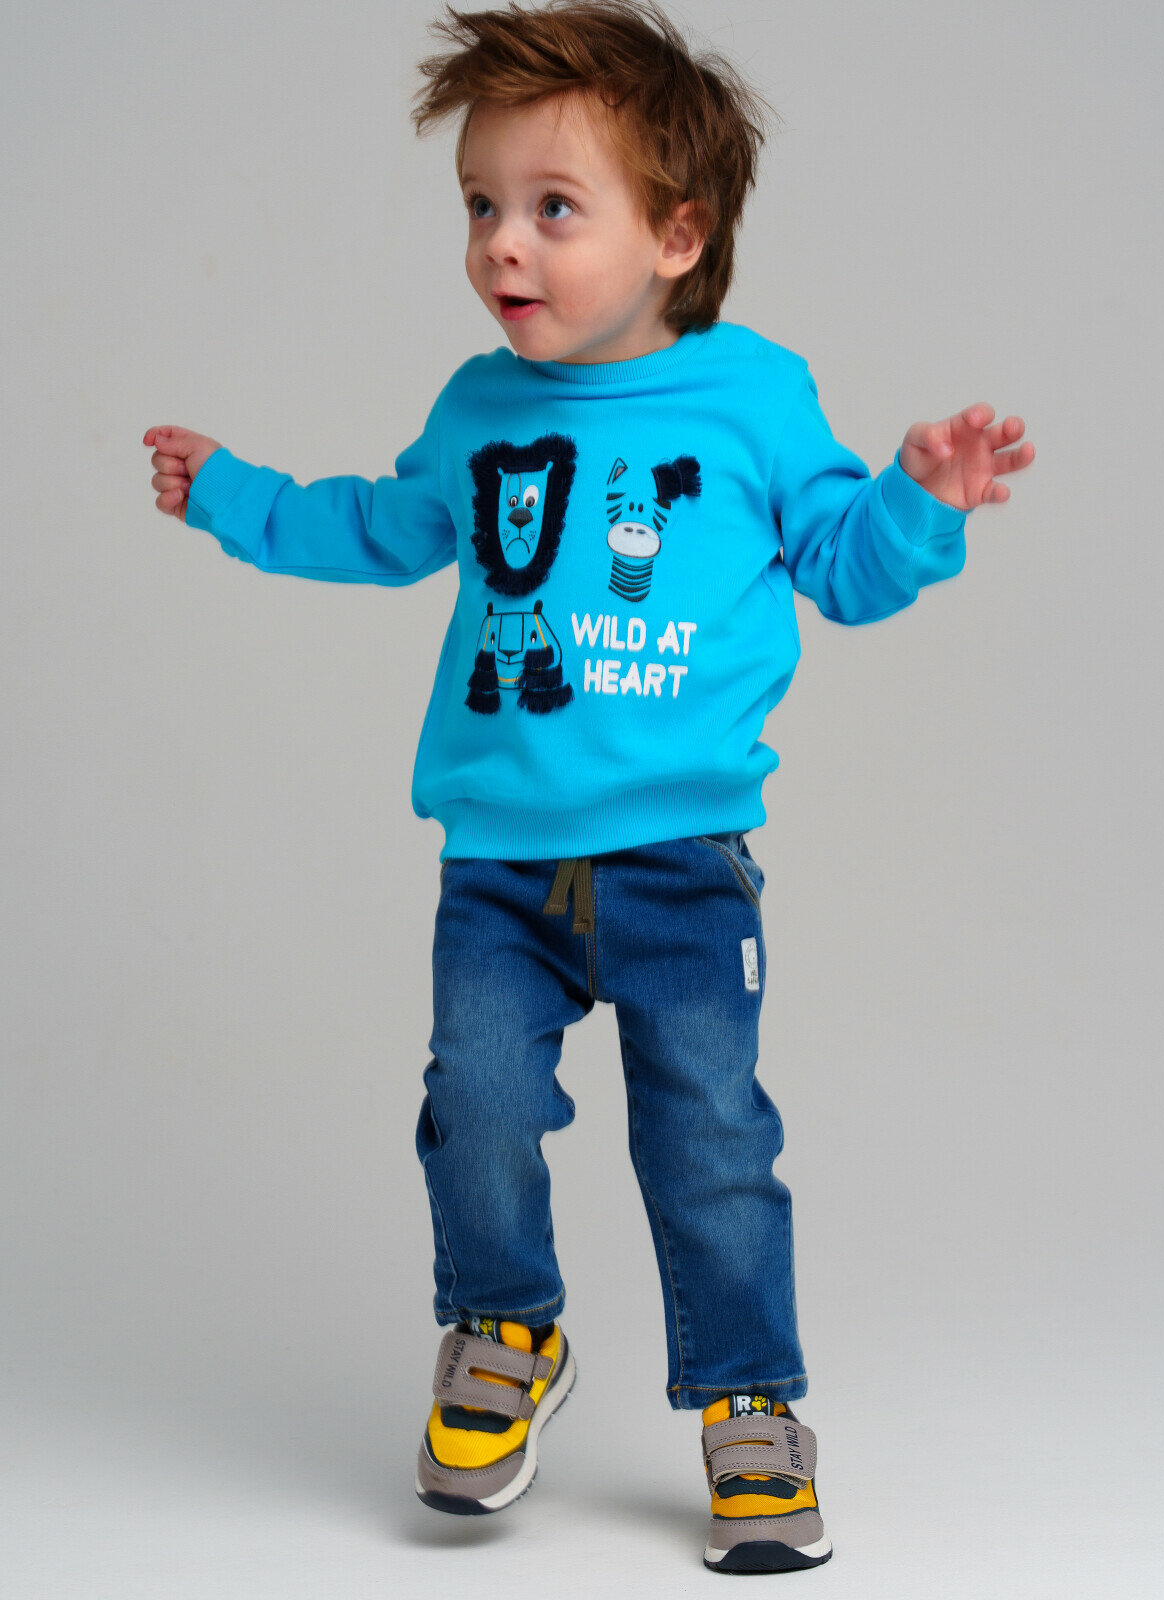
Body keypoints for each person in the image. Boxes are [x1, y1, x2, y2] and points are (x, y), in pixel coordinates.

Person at [142, 0, 1034, 1575]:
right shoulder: (479, 409)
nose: (503, 243)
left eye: (554, 208)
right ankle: (506, 1330)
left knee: (710, 1147)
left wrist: (920, 501)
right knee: (475, 1104)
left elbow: (845, 568)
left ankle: (751, 1404)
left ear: (677, 235)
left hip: (685, 869)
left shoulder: (753, 397)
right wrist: (233, 496)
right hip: (500, 870)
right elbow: (377, 528)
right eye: (481, 204)